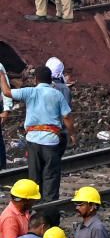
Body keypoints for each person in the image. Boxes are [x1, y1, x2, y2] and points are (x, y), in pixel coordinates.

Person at [3, 68, 74, 200]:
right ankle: (49, 210)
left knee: (34, 178)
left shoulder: (30, 92)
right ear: (50, 80)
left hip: (33, 141)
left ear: (36, 79)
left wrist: (1, 74)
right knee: (51, 177)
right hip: (51, 142)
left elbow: (7, 92)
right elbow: (67, 117)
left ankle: (35, 209)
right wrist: (72, 135)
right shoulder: (57, 94)